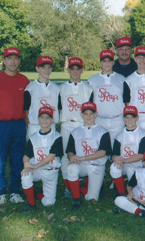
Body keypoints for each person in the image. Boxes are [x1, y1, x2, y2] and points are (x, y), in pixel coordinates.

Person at [0, 47, 30, 205]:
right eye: (9, 58)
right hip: (0, 125)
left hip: (18, 124)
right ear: (4, 61)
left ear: (19, 61)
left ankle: (15, 190)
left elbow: (27, 106)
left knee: (17, 158)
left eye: (16, 58)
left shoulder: (24, 81)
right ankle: (1, 191)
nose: (12, 62)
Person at [66, 102, 112, 210]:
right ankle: (76, 199)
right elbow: (70, 151)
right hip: (81, 165)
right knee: (71, 169)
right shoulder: (75, 132)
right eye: (85, 113)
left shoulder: (103, 131)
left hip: (96, 166)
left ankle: (82, 186)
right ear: (81, 115)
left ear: (96, 114)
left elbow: (102, 152)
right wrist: (72, 157)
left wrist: (81, 158)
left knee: (92, 199)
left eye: (91, 113)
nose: (88, 116)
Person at [59, 57, 93, 198]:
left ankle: (88, 185)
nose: (75, 71)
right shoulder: (61, 88)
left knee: (86, 153)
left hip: (82, 124)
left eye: (78, 68)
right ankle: (68, 186)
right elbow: (59, 108)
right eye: (72, 69)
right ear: (68, 70)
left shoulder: (88, 88)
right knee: (67, 156)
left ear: (82, 70)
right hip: (67, 124)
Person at [21, 106, 63, 212]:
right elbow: (26, 155)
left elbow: (51, 156)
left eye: (48, 117)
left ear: (52, 120)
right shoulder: (33, 137)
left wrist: (34, 166)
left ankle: (38, 193)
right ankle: (31, 204)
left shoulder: (57, 137)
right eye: (42, 117)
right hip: (37, 171)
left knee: (48, 203)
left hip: (51, 172)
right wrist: (26, 166)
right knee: (25, 175)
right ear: (38, 119)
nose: (45, 120)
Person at [88, 50, 125, 144]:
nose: (107, 63)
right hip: (99, 119)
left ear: (113, 62)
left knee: (117, 150)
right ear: (100, 63)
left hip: (118, 120)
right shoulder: (92, 80)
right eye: (104, 61)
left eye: (109, 61)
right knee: (100, 149)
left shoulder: (122, 79)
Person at [110, 106, 145, 195]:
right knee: (114, 168)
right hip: (123, 165)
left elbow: (142, 155)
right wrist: (117, 158)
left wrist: (125, 160)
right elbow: (113, 154)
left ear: (137, 118)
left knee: (137, 193)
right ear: (123, 118)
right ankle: (121, 193)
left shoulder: (143, 134)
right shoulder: (119, 135)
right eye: (127, 117)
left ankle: (128, 186)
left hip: (137, 166)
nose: (130, 120)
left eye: (132, 117)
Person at [24, 56, 60, 137]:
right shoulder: (30, 88)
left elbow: (59, 108)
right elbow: (26, 111)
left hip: (51, 126)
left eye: (49, 67)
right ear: (37, 68)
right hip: (35, 127)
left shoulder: (56, 88)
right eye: (43, 67)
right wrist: (29, 126)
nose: (47, 70)